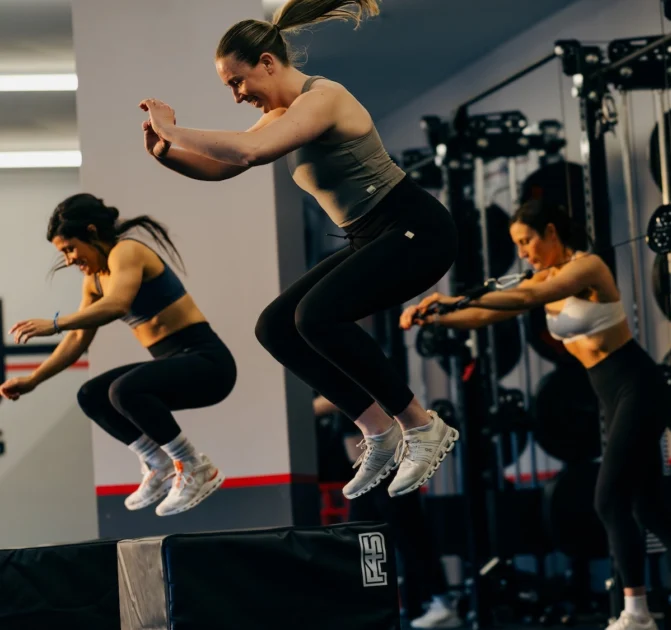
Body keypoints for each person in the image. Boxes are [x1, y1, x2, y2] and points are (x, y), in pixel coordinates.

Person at [137, 0, 458, 498]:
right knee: (276, 327)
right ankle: (378, 430)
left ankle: (421, 425)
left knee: (316, 316)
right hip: (370, 235)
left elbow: (249, 152)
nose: (238, 96)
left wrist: (173, 128)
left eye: (238, 82)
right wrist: (167, 155)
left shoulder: (324, 98)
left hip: (415, 229)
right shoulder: (282, 115)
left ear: (267, 62)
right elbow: (225, 165)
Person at [401, 200, 671, 630]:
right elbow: (484, 315)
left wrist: (451, 298)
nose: (523, 253)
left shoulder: (587, 268)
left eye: (527, 241)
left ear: (551, 232)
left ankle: (636, 613)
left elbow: (529, 296)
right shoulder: (544, 276)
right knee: (646, 507)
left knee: (608, 498)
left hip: (639, 387)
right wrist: (438, 317)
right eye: (517, 245)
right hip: (612, 395)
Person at [0, 194, 237, 516]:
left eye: (70, 249)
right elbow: (78, 338)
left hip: (209, 364)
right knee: (91, 395)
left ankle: (194, 466)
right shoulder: (94, 280)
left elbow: (117, 304)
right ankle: (159, 464)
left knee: (123, 390)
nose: (69, 260)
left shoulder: (127, 252)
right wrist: (33, 379)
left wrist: (54, 323)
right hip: (175, 364)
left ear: (92, 232)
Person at [314, 395, 462, 629]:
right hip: (366, 468)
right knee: (361, 536)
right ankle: (380, 606)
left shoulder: (353, 381)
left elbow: (339, 397)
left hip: (389, 462)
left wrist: (307, 406)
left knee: (408, 533)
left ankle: (442, 602)